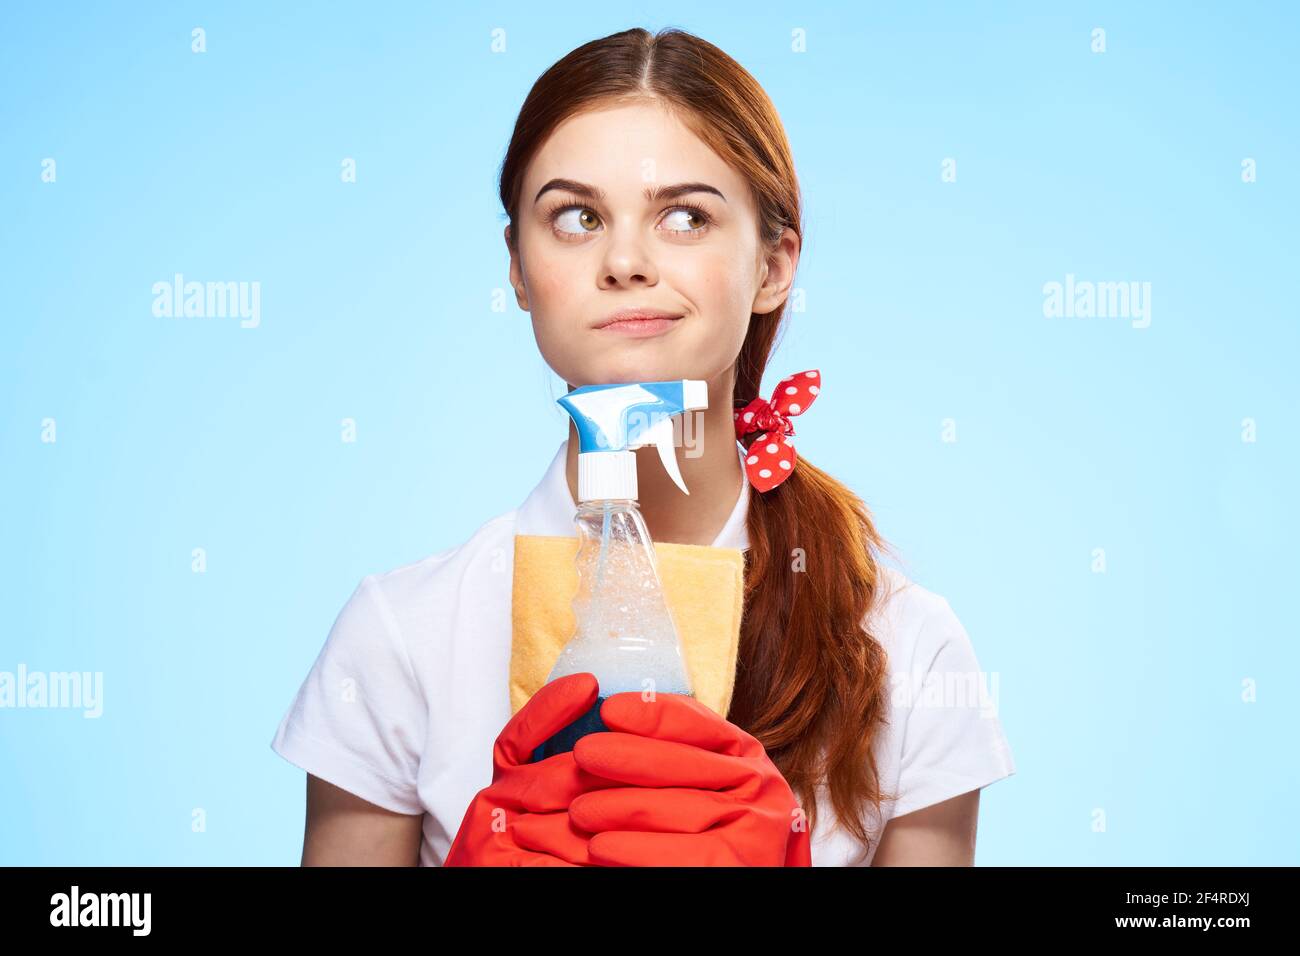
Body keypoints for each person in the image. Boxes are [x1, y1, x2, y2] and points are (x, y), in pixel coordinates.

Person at [270, 26, 1015, 866]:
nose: (625, 260)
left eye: (685, 217)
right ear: (517, 266)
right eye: (576, 217)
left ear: (775, 264)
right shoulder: (399, 638)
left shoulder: (908, 651)